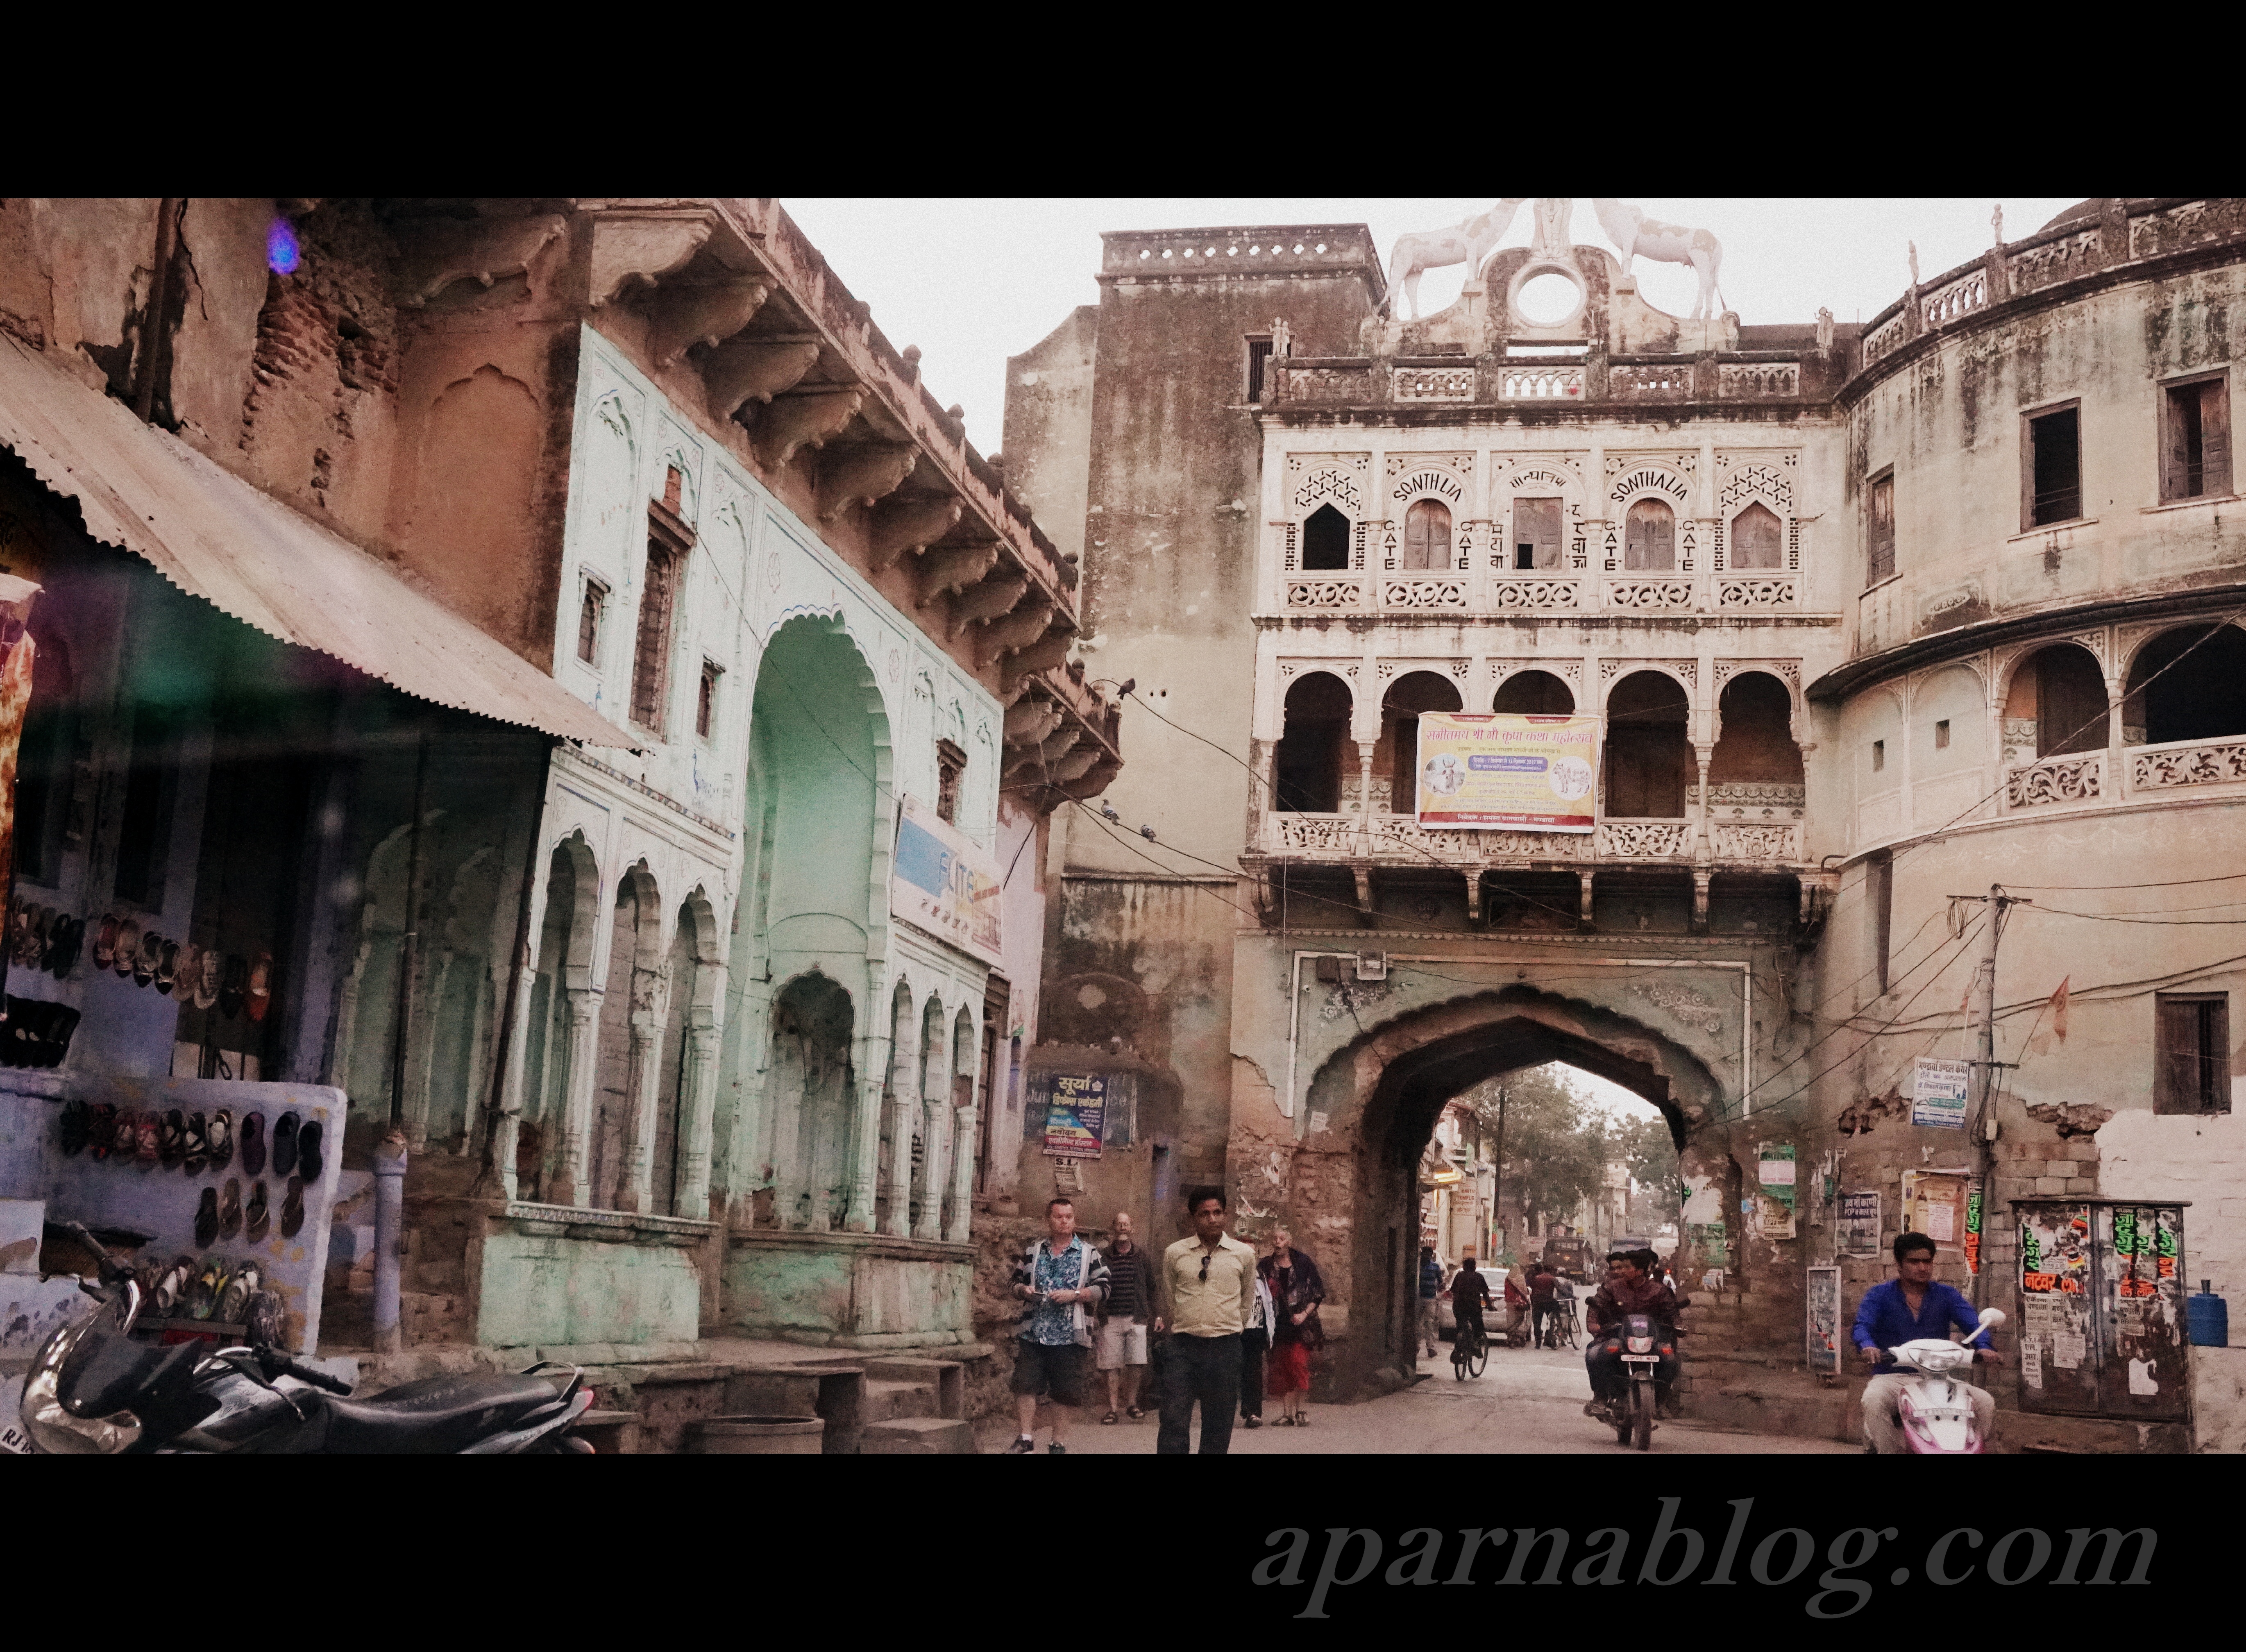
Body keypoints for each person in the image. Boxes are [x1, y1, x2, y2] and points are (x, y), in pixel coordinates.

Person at [1855, 1231, 1999, 1453]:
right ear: (1899, 1265)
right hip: (1892, 1377)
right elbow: (1863, 1325)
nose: (1922, 1268)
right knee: (1873, 1400)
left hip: (1938, 1377)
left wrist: (1985, 1347)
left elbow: (1972, 1323)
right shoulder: (1880, 1295)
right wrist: (1867, 1345)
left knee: (1985, 1402)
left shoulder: (1947, 1296)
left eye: (1927, 1261)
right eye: (1914, 1262)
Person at [1156, 1185, 1257, 1455]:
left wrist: (1230, 1327)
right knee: (1173, 1417)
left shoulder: (1243, 1254)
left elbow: (1247, 1298)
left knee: (1219, 1422)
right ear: (1194, 1218)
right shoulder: (1175, 1253)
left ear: (1225, 1215)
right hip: (1183, 1346)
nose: (1212, 1219)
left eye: (1218, 1213)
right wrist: (1187, 1321)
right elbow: (1171, 1295)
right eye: (1205, 1214)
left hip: (1225, 1347)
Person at [1005, 1196, 1110, 1454]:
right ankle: (1026, 1439)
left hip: (1070, 1334)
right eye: (1059, 1217)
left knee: (1065, 1392)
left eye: (1069, 1217)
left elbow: (1105, 1288)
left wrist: (1075, 1295)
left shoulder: (1088, 1253)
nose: (1064, 1221)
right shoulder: (1034, 1251)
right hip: (1034, 1331)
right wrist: (1024, 1291)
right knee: (1025, 1385)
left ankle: (1058, 1443)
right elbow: (1014, 1283)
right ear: (1048, 1220)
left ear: (1074, 1220)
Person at [1581, 1249, 1685, 1418]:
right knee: (1593, 1355)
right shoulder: (1612, 1287)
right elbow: (1596, 1305)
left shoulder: (1659, 1291)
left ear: (1640, 1271)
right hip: (1617, 1335)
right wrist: (1594, 1325)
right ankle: (1600, 1398)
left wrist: (1678, 1326)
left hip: (1651, 1339)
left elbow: (1672, 1312)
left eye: (1627, 1267)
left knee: (1670, 1358)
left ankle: (1661, 1399)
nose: (1622, 1271)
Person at [1259, 1225, 1327, 1426]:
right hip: (1277, 1325)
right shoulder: (1266, 1265)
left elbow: (1318, 1292)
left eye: (1282, 1239)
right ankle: (1287, 1414)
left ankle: (1301, 1410)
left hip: (1301, 1325)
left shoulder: (1303, 1263)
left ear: (1289, 1242)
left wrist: (1304, 1314)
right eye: (1275, 1239)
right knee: (1282, 1368)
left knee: (1298, 1364)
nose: (1278, 1242)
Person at [1096, 1211, 1158, 1425]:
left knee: (1136, 1363)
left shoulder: (1142, 1256)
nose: (1123, 1227)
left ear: (1132, 1228)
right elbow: (1094, 1284)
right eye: (1119, 1224)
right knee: (1110, 1365)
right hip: (1110, 1318)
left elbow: (1152, 1287)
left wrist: (1157, 1315)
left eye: (1126, 1224)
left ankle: (1132, 1404)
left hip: (1136, 1317)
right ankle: (1112, 1409)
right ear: (1113, 1229)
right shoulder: (1102, 1257)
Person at [1240, 1259, 1277, 1429]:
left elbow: (1268, 1301)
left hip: (1256, 1329)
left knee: (1254, 1372)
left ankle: (1253, 1412)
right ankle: (1229, 1411)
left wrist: (1269, 1328)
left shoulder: (1260, 1275)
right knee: (1231, 1371)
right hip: (1234, 1329)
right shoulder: (1232, 1272)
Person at [1449, 1254, 1493, 1357]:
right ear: (1475, 1267)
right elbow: (1485, 1294)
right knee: (1479, 1327)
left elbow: (1454, 1292)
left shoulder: (1459, 1276)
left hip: (1459, 1307)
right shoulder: (1479, 1277)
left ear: (1464, 1267)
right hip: (1474, 1307)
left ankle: (1458, 1348)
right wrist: (1490, 1306)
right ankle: (1476, 1345)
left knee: (1460, 1327)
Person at [1417, 1244, 1444, 1357]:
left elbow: (1441, 1282)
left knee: (1429, 1324)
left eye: (1429, 1254)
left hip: (1430, 1299)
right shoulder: (1417, 1267)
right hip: (1418, 1298)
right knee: (1418, 1324)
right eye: (1425, 1254)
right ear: (1422, 1254)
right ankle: (1416, 1346)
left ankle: (1431, 1348)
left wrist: (1438, 1292)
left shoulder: (1435, 1267)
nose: (1427, 1256)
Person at [1528, 1260, 1561, 1348]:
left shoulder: (1537, 1278)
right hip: (1549, 1303)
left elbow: (1530, 1287)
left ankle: (1538, 1343)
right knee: (1552, 1320)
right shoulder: (1553, 1279)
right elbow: (1560, 1289)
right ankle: (1548, 1338)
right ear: (1552, 1271)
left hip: (1537, 1302)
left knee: (1537, 1323)